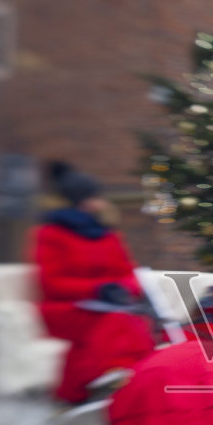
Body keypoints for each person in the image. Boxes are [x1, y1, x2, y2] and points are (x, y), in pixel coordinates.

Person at [30, 160, 155, 403]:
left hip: (107, 305)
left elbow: (129, 273)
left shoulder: (107, 235)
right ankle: (102, 382)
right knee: (114, 321)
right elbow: (52, 283)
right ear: (83, 200)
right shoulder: (51, 234)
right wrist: (96, 290)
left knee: (130, 319)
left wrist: (122, 289)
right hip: (66, 309)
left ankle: (132, 377)